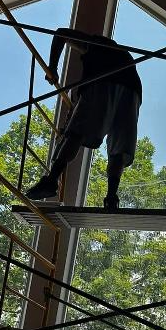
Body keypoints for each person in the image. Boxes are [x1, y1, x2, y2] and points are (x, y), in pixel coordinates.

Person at [25, 28, 142, 211]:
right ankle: (111, 197)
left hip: (104, 79)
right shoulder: (121, 56)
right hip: (133, 91)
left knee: (76, 133)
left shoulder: (95, 45)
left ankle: (51, 180)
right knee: (119, 146)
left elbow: (60, 33)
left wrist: (52, 68)